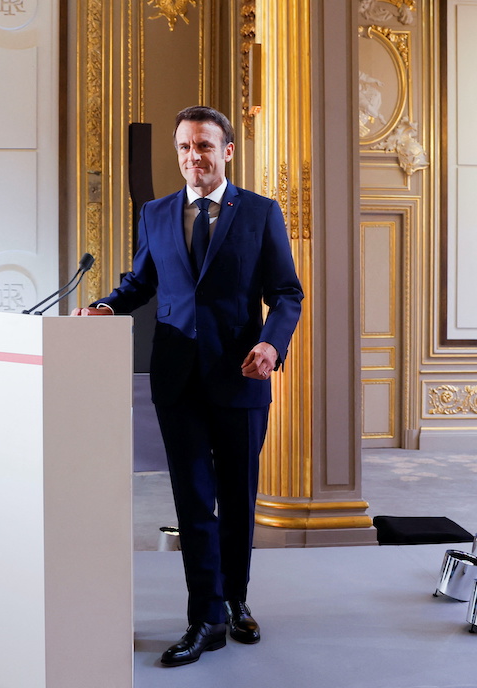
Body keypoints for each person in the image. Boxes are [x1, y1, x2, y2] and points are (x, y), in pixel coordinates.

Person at [73, 105, 303, 667]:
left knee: (237, 498)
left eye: (203, 146)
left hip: (241, 378)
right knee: (194, 500)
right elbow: (141, 282)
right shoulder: (155, 213)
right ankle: (206, 616)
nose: (192, 157)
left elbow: (287, 293)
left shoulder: (261, 213)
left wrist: (272, 344)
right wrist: (105, 305)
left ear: (227, 151)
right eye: (183, 148)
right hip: (177, 380)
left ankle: (236, 597)